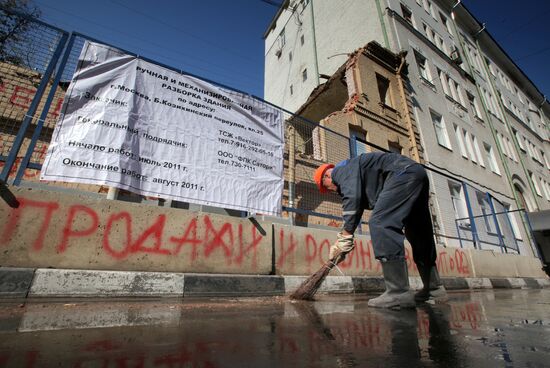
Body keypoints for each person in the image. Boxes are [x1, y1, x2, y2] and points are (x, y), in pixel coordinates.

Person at [313, 151, 447, 309]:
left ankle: (398, 293)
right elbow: (357, 204)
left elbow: (352, 199)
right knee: (417, 229)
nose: (331, 191)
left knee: (380, 222)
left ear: (327, 176)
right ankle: (434, 288)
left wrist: (346, 235)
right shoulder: (358, 173)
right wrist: (346, 236)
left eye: (326, 187)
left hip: (401, 174)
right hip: (415, 173)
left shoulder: (340, 171)